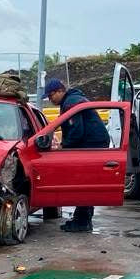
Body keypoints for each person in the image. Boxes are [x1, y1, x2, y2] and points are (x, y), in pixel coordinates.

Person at [44, 79, 110, 232]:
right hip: (93, 144)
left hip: (91, 145)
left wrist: (63, 146)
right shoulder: (72, 99)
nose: (50, 99)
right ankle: (82, 218)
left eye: (51, 95)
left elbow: (76, 131)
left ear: (60, 91)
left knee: (83, 182)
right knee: (85, 184)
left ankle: (82, 222)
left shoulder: (71, 103)